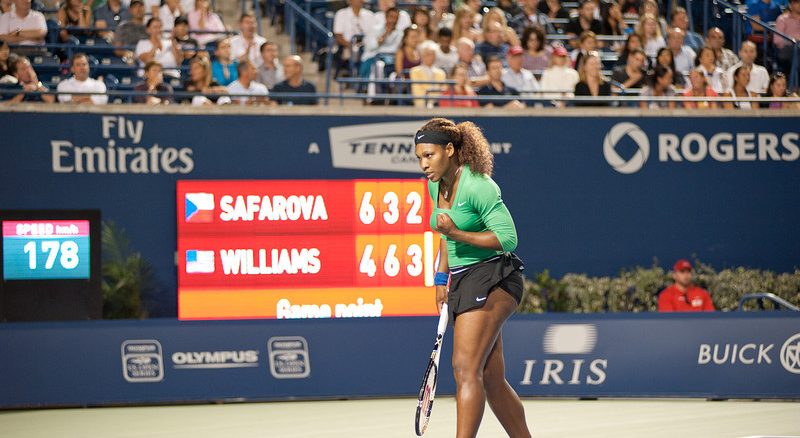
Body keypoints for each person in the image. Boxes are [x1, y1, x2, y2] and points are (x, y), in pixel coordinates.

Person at [413, 117, 530, 438]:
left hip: (495, 276)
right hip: (463, 280)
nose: (424, 164)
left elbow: (507, 238)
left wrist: (457, 233)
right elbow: (443, 234)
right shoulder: (435, 183)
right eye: (419, 157)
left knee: (465, 370)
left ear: (449, 150)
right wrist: (440, 279)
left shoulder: (479, 185)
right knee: (491, 378)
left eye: (429, 155)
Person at [410, 42, 447, 108]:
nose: (428, 57)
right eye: (425, 54)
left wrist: (433, 102)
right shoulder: (414, 71)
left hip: (438, 106)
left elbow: (443, 91)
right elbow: (417, 91)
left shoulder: (441, 73)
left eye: (431, 54)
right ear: (422, 56)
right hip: (421, 107)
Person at [774, 0, 800, 71]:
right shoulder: (782, 19)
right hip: (786, 50)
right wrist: (794, 39)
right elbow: (777, 40)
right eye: (797, 2)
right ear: (790, 5)